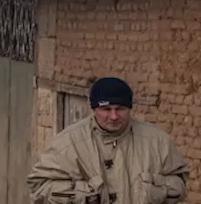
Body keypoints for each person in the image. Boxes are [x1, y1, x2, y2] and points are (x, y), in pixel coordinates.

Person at [28, 77, 188, 203]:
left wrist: (155, 189)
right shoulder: (68, 144)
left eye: (120, 109)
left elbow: (179, 181)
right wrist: (80, 194)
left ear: (130, 108)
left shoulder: (157, 141)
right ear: (94, 109)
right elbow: (38, 186)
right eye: (106, 109)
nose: (113, 116)